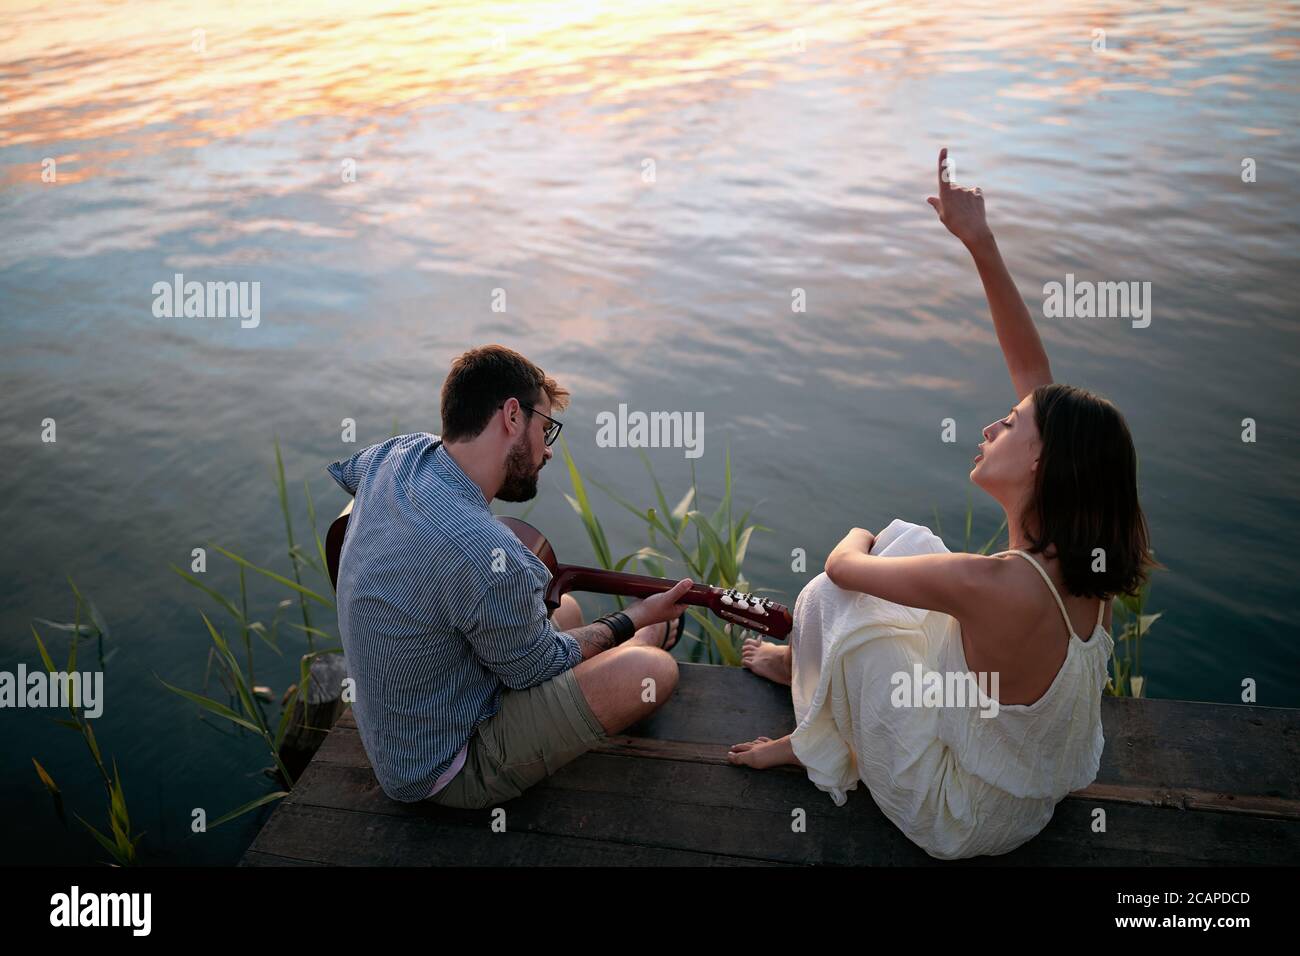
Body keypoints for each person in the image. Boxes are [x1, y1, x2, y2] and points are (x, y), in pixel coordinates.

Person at [729, 148, 1154, 860]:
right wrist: (978, 241)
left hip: (951, 811)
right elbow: (1034, 377)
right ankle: (809, 680)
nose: (992, 427)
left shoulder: (992, 583)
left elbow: (842, 570)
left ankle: (815, 738)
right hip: (1025, 801)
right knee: (918, 548)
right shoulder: (1083, 566)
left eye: (1010, 425)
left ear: (1043, 461)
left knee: (845, 590)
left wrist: (859, 530)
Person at [327, 344, 692, 809]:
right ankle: (647, 638)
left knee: (569, 608)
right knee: (652, 671)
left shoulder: (396, 455)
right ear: (513, 417)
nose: (548, 451)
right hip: (441, 766)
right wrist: (633, 618)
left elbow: (347, 482)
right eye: (546, 429)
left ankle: (644, 635)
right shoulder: (488, 553)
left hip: (406, 723)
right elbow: (534, 668)